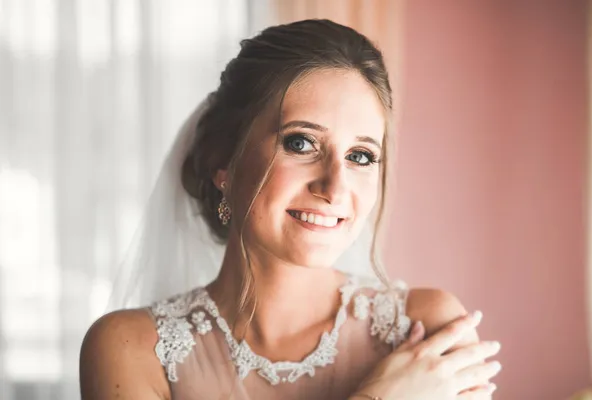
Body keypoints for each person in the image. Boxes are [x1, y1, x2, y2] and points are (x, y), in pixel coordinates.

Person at [79, 19, 501, 399]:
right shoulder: (132, 349)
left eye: (360, 156)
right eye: (301, 143)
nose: (335, 187)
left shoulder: (426, 327)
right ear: (222, 163)